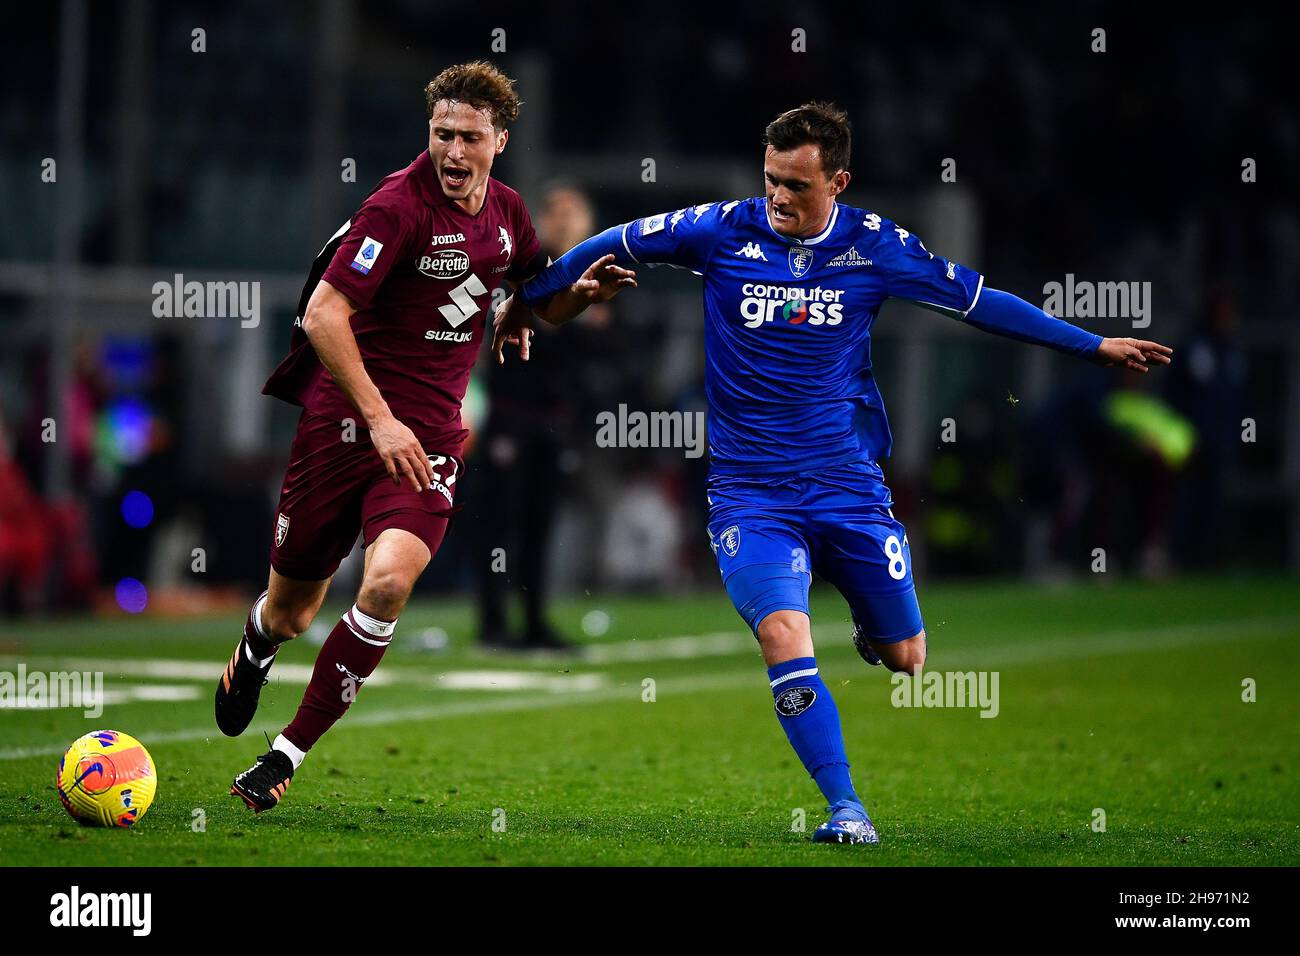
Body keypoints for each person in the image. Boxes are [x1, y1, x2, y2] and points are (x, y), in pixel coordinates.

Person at [495, 101, 1172, 844]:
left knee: (906, 658)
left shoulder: (877, 247)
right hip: (750, 495)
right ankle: (846, 807)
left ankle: (871, 627)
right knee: (785, 633)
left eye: (797, 184)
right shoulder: (722, 229)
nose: (780, 197)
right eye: (772, 180)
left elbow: (980, 302)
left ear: (839, 181)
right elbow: (612, 239)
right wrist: (525, 302)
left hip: (847, 486)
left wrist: (1089, 346)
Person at [214, 61, 631, 813]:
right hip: (343, 431)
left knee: (387, 582)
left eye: (469, 136)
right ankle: (254, 649)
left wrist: (572, 300)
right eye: (442, 134)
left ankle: (285, 754)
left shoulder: (507, 213)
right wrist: (378, 418)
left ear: (500, 140)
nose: (452, 151)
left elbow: (534, 297)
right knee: (292, 612)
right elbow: (322, 317)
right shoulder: (395, 209)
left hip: (430, 439)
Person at [474, 185, 625, 649]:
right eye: (557, 213)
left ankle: (535, 620)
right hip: (510, 415)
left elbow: (605, 353)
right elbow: (510, 329)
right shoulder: (527, 269)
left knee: (541, 522)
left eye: (575, 214)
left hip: (557, 419)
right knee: (501, 521)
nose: (566, 222)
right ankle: (494, 624)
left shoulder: (596, 277)